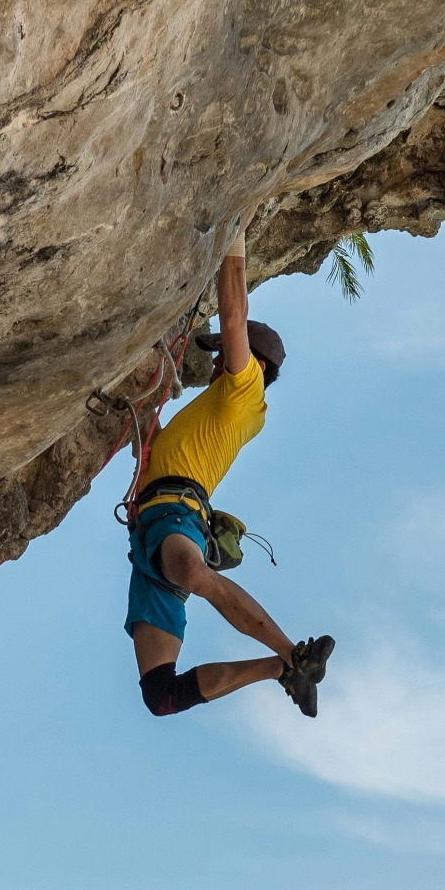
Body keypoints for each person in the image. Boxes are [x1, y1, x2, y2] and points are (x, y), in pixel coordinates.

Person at [123, 216, 335, 718]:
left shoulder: (245, 390)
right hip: (150, 535)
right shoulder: (223, 408)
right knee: (161, 696)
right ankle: (283, 670)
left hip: (176, 518)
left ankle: (294, 654)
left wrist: (232, 234)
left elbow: (235, 316)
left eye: (223, 356)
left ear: (253, 364)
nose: (216, 363)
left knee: (193, 574)